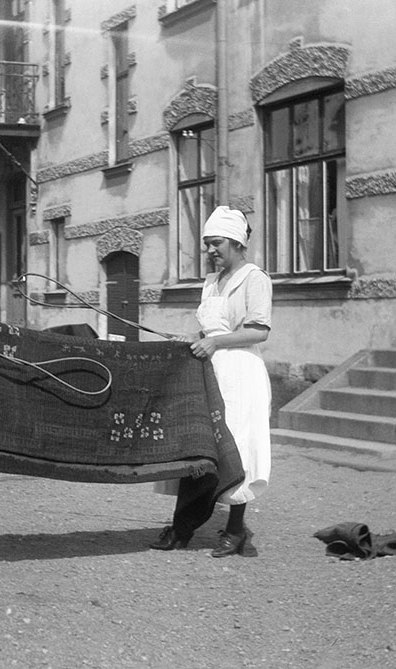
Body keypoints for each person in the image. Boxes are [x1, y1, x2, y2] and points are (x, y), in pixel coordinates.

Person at [150, 205, 272, 558]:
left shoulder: (254, 279)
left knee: (235, 447)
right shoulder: (211, 282)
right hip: (210, 370)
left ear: (235, 241)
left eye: (215, 243)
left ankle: (235, 530)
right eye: (206, 244)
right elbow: (208, 329)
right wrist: (188, 338)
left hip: (241, 374)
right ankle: (184, 525)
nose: (209, 251)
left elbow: (259, 330)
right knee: (198, 443)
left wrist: (216, 341)